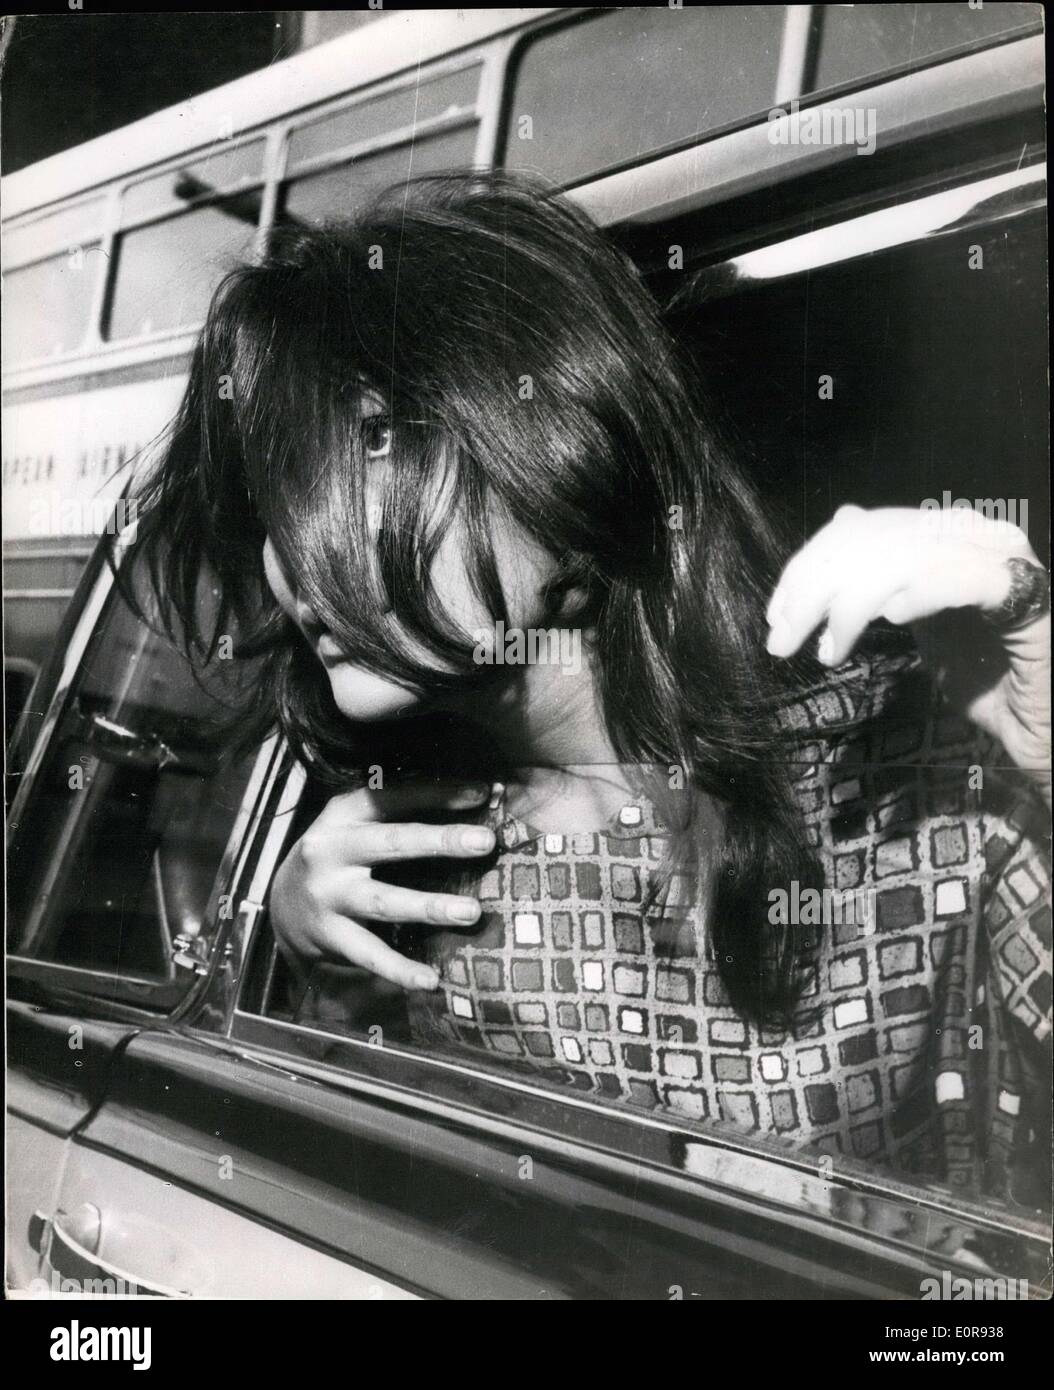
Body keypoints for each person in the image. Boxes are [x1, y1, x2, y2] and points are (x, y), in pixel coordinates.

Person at [130, 172, 1051, 1205]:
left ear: (568, 454)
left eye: (371, 443)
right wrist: (302, 948)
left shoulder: (895, 778)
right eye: (275, 497)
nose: (290, 560)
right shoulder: (404, 865)